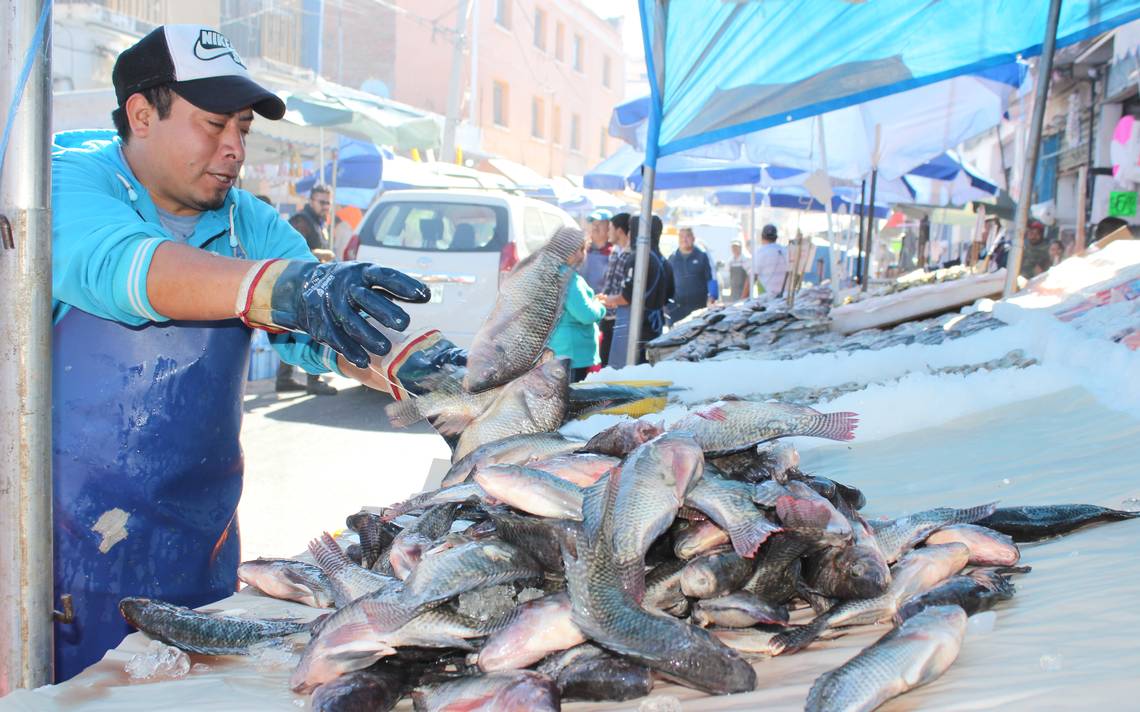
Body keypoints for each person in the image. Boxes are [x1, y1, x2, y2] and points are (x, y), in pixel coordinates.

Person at [49, 24, 463, 681]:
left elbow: (327, 329)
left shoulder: (252, 222)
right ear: (140, 115)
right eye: (214, 125)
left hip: (199, 549)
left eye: (243, 128)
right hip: (57, 560)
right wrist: (274, 287)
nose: (234, 149)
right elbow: (122, 267)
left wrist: (417, 367)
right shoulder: (64, 183)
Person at [277, 185, 339, 394]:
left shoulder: (319, 222)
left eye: (328, 203)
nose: (325, 206)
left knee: (298, 330)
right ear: (311, 201)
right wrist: (321, 253)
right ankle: (313, 380)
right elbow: (288, 250)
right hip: (297, 284)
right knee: (314, 330)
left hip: (310, 285)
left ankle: (284, 379)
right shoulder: (301, 221)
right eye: (322, 202)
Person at [605, 215, 669, 368]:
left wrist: (607, 300)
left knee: (628, 374)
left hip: (636, 327)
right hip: (654, 327)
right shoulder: (663, 260)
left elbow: (627, 297)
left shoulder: (637, 258)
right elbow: (670, 295)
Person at [549, 236, 606, 381]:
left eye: (583, 250)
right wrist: (600, 307)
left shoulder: (550, 274)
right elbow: (585, 315)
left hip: (556, 352)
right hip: (571, 355)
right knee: (571, 400)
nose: (581, 255)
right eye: (576, 250)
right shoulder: (569, 279)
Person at [597, 212, 632, 367]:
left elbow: (624, 290)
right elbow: (610, 282)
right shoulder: (614, 252)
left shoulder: (631, 255)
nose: (608, 232)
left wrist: (610, 300)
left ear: (619, 231)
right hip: (607, 314)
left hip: (620, 317)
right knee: (604, 361)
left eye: (610, 228)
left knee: (615, 364)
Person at [667, 226, 716, 323]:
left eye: (687, 236)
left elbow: (711, 278)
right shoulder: (672, 258)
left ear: (693, 238)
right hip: (677, 308)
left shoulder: (702, 256)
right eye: (681, 237)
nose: (684, 240)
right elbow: (666, 282)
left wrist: (712, 296)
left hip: (698, 307)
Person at [577, 208, 613, 294]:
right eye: (593, 223)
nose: (595, 227)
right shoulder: (581, 248)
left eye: (600, 223)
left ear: (609, 226)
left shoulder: (614, 252)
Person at [751, 223, 789, 297]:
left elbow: (752, 278)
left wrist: (743, 299)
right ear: (776, 237)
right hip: (784, 296)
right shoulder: (785, 251)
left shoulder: (760, 252)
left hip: (766, 297)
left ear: (762, 237)